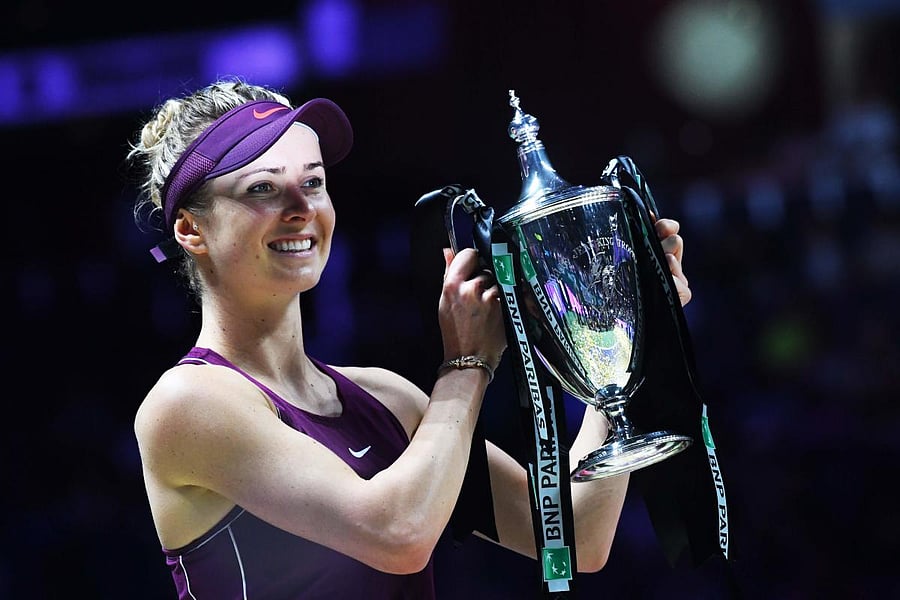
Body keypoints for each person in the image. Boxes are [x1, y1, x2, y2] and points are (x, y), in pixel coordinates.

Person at [127, 77, 694, 599]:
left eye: (314, 183)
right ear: (191, 229)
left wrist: (617, 327)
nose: (301, 210)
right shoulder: (189, 404)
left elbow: (575, 540)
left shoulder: (387, 399)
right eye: (262, 189)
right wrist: (468, 362)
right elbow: (398, 535)